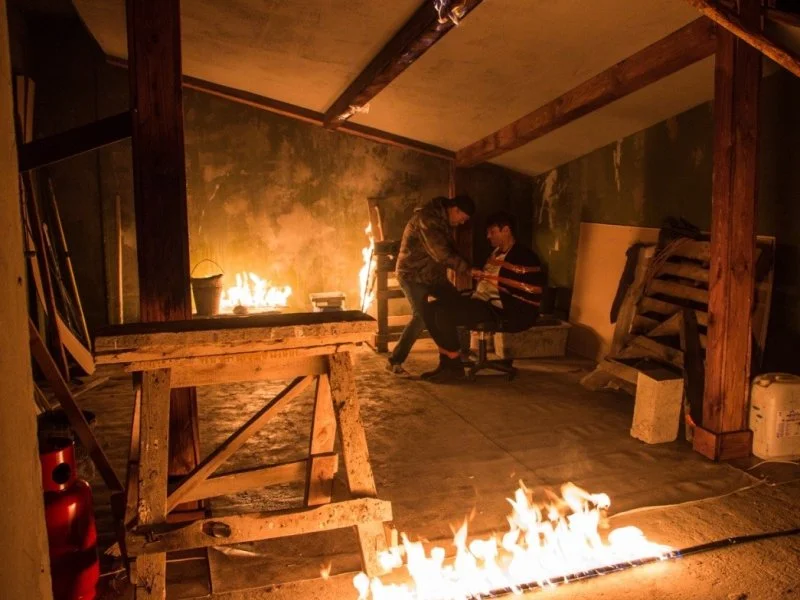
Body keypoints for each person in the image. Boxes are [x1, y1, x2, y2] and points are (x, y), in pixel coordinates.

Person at [422, 210, 545, 382]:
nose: (488, 236)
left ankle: (453, 366)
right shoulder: (496, 253)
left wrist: (490, 281)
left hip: (500, 309)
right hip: (482, 301)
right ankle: (445, 364)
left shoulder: (524, 256)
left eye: (492, 232)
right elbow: (493, 281)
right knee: (429, 308)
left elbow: (526, 294)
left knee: (444, 315)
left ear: (506, 230)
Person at [386, 195, 479, 375]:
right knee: (422, 316)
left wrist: (469, 266)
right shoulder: (426, 219)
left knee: (458, 304)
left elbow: (450, 250)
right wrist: (467, 269)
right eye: (463, 218)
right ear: (455, 210)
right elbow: (441, 253)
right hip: (412, 274)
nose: (462, 222)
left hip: (433, 276)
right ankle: (395, 361)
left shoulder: (443, 221)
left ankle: (457, 356)